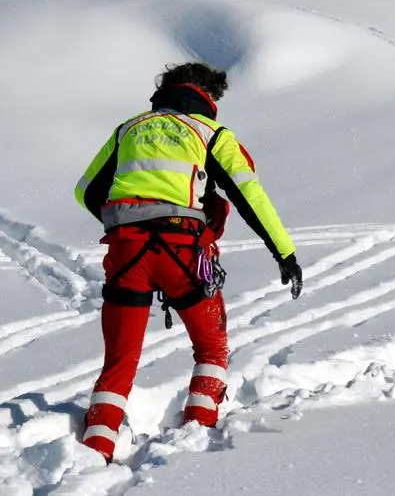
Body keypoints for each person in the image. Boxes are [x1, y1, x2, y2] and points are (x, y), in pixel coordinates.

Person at [74, 61, 302, 462]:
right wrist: (283, 253)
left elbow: (86, 191)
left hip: (127, 252)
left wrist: (129, 220)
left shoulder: (128, 129)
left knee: (119, 362)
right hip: (184, 253)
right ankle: (197, 432)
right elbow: (250, 196)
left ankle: (95, 451)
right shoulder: (212, 133)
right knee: (212, 347)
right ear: (206, 96)